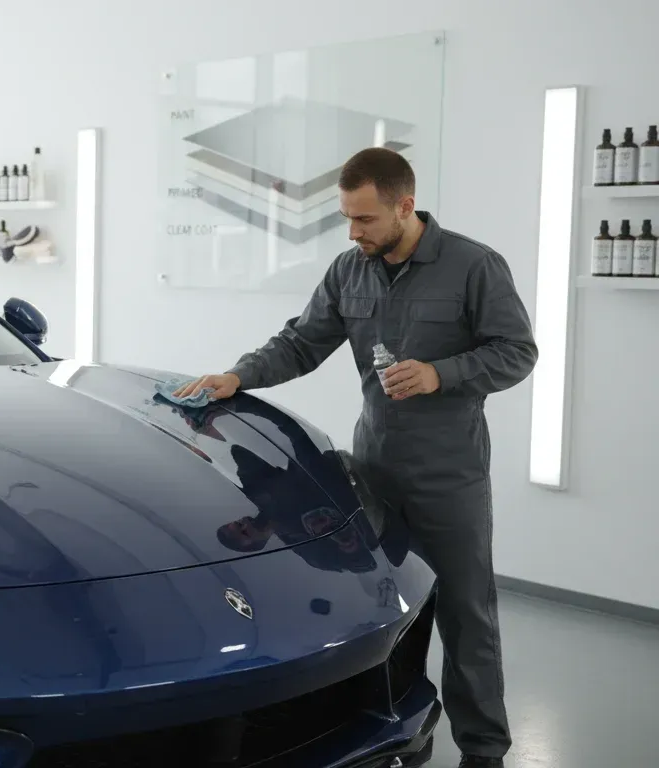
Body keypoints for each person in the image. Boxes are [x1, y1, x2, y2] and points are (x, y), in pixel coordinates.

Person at [175, 147, 536, 768]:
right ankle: (405, 733)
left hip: (449, 474)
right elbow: (300, 343)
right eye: (346, 218)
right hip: (372, 468)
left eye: (365, 219)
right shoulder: (350, 271)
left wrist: (441, 373)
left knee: (465, 615)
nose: (353, 232)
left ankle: (484, 751)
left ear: (404, 205)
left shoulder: (473, 265)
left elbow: (517, 351)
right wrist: (239, 376)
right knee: (388, 608)